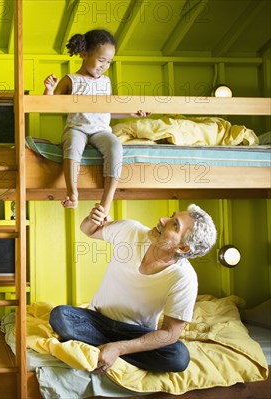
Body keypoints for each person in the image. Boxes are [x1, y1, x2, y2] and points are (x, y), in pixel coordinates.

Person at [49, 203, 217, 373]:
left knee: (179, 357)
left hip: (135, 333)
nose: (162, 219)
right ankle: (110, 348)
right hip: (97, 320)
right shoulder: (131, 230)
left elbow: (169, 333)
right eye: (171, 216)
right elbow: (88, 229)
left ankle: (107, 348)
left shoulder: (184, 278)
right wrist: (92, 219)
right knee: (60, 316)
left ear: (182, 248)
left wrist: (120, 348)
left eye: (174, 225)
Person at [43, 29, 149, 212]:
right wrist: (49, 90)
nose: (105, 66)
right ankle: (72, 193)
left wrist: (130, 113)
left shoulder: (106, 81)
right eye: (101, 60)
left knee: (115, 146)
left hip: (101, 130)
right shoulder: (72, 80)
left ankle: (105, 203)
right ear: (84, 54)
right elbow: (49, 105)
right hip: (77, 127)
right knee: (73, 144)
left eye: (109, 62)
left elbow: (106, 111)